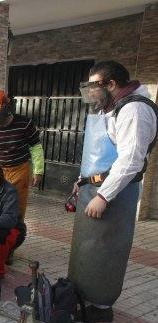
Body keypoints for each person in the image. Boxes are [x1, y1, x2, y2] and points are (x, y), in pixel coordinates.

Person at [68, 60, 157, 322]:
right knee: (85, 250)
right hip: (93, 190)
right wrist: (82, 181)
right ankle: (81, 301)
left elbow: (131, 160)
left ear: (111, 84)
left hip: (113, 197)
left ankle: (98, 310)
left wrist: (104, 196)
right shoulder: (112, 108)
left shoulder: (135, 111)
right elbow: (97, 154)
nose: (92, 94)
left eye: (95, 86)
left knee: (104, 253)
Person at [0, 89, 44, 263]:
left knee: (15, 212)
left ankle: (10, 247)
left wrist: (38, 170)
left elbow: (36, 148)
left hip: (20, 170)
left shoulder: (25, 124)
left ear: (7, 108)